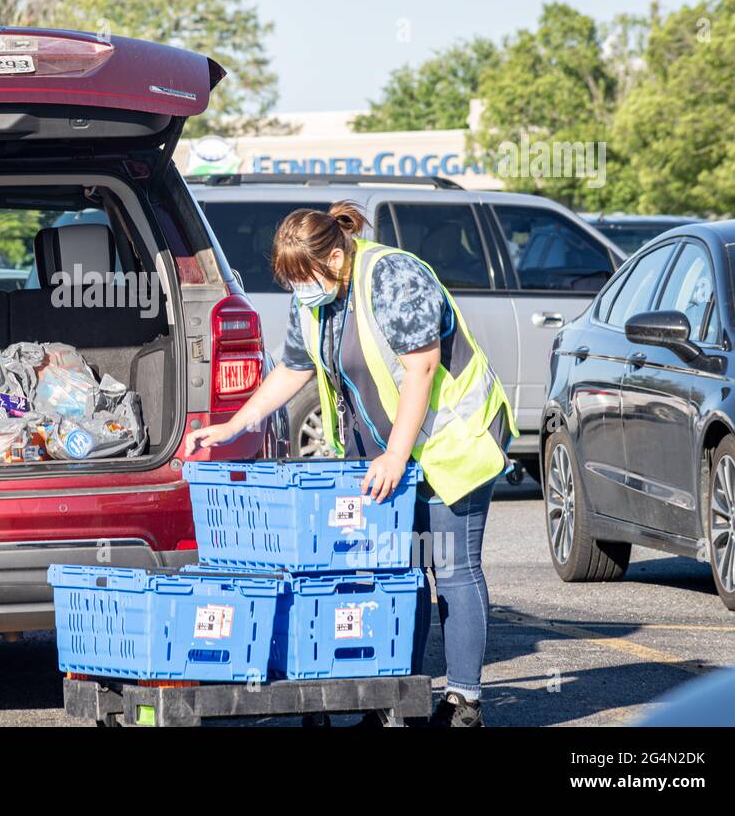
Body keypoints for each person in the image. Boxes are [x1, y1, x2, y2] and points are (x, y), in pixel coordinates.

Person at [184, 201, 516, 727]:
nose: (300, 290)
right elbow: (293, 370)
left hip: (453, 442)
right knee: (394, 574)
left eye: (305, 277)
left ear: (337, 256)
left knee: (451, 570)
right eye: (291, 281)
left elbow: (422, 367)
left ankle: (463, 703)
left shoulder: (392, 277)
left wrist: (396, 455)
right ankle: (394, 699)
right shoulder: (313, 298)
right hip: (386, 455)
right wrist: (233, 425)